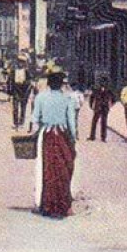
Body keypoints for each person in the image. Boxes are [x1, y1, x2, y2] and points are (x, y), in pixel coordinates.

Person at [31, 71, 77, 218]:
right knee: (65, 169)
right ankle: (65, 206)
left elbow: (35, 119)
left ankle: (46, 205)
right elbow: (71, 122)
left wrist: (33, 135)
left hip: (47, 136)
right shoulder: (67, 98)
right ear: (61, 84)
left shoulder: (41, 97)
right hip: (62, 135)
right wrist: (73, 139)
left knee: (48, 170)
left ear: (49, 83)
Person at [88, 77, 115, 142]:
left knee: (104, 122)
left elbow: (114, 98)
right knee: (94, 121)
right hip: (98, 107)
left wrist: (111, 104)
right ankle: (92, 136)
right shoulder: (96, 89)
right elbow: (92, 97)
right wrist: (91, 105)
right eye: (102, 82)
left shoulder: (109, 90)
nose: (103, 83)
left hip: (105, 107)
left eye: (104, 82)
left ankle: (103, 137)